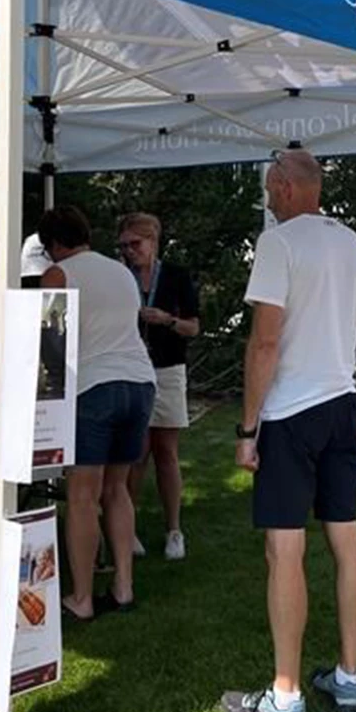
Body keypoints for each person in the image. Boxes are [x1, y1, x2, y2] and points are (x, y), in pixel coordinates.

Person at [221, 150, 356, 712]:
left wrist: (247, 429)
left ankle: (285, 697)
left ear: (289, 187)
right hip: (341, 409)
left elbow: (264, 344)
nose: (267, 196)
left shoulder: (280, 244)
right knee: (346, 538)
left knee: (284, 551)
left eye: (270, 187)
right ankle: (348, 677)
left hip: (290, 414)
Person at [39, 206, 156, 620]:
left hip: (94, 388)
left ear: (53, 245)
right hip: (140, 384)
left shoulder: (59, 275)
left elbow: (48, 348)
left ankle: (82, 598)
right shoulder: (121, 271)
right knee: (118, 489)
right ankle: (123, 586)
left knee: (83, 495)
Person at [117, 212, 200, 561]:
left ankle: (174, 530)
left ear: (153, 241)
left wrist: (167, 319)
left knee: (166, 451)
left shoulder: (178, 276)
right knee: (135, 452)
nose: (129, 252)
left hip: (168, 368)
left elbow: (194, 328)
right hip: (131, 370)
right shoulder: (119, 277)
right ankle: (128, 527)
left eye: (135, 244)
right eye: (123, 246)